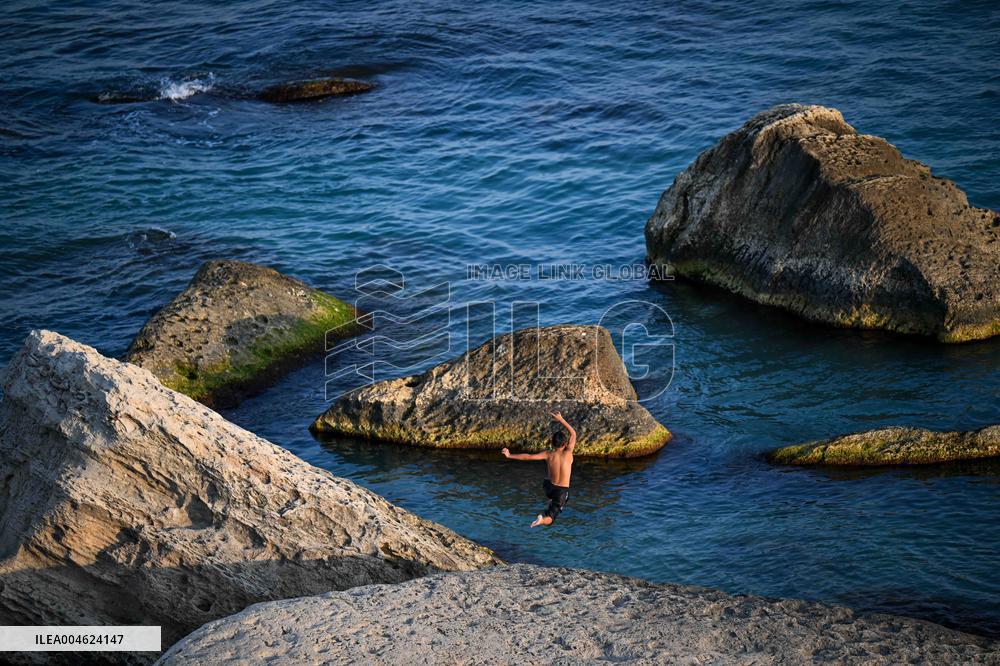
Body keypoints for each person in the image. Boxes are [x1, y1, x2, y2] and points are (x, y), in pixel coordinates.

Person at [502, 411, 575, 527]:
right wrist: (561, 419)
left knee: (549, 478)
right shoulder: (568, 453)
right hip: (561, 491)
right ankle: (542, 520)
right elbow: (573, 433)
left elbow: (528, 457)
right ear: (565, 444)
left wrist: (510, 455)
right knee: (551, 518)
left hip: (548, 487)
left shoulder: (548, 454)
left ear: (552, 444)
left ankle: (550, 500)